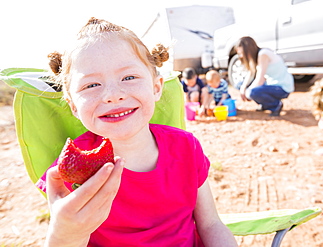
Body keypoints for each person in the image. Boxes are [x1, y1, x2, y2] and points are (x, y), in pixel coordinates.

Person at [35, 17, 237, 247]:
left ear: (156, 88)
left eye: (129, 77)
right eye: (91, 85)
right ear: (73, 106)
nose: (113, 94)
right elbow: (67, 240)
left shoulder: (185, 147)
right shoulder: (71, 168)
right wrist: (63, 235)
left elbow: (210, 224)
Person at [235, 36, 294, 116]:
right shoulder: (256, 56)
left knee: (252, 92)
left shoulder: (263, 54)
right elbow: (251, 73)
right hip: (271, 84)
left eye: (242, 53)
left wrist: (247, 92)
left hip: (281, 87)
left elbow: (260, 79)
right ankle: (265, 104)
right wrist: (243, 87)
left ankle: (275, 105)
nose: (241, 56)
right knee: (240, 85)